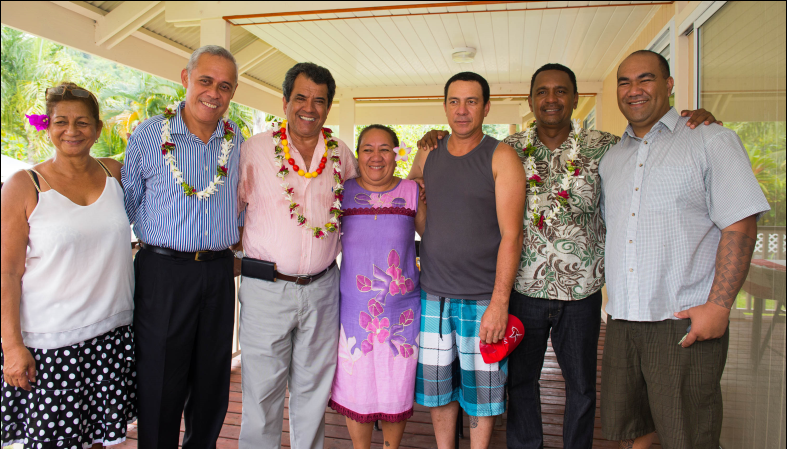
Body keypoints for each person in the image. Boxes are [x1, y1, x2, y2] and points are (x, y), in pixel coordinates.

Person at [416, 64, 719, 449]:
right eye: (541, 92)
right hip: (524, 287)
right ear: (530, 101)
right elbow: (465, 154)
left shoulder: (607, 146)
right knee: (521, 382)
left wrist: (693, 123)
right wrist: (434, 137)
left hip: (582, 290)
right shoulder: (511, 148)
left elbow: (651, 148)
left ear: (575, 98)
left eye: (561, 91)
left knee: (581, 385)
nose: (551, 99)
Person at [599, 50, 770, 449]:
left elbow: (740, 223)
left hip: (681, 320)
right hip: (623, 318)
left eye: (646, 79)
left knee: (689, 434)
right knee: (630, 429)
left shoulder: (711, 140)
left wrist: (720, 306)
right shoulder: (612, 158)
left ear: (669, 84)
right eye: (624, 82)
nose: (634, 90)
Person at [121, 45, 245, 448]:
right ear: (185, 78)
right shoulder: (149, 135)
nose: (214, 92)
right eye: (205, 80)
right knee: (160, 379)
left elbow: (245, 203)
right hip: (163, 272)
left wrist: (236, 253)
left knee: (212, 381)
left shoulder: (236, 140)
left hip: (218, 272)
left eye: (224, 86)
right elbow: (126, 205)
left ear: (233, 92)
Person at [1, 82, 136, 448]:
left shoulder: (115, 174)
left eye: (82, 122)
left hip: (111, 336)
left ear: (98, 128)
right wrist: (12, 346)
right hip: (52, 344)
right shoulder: (24, 185)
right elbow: (7, 273)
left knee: (99, 441)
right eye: (61, 121)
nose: (72, 130)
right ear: (47, 126)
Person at [236, 62, 358, 449]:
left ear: (328, 107)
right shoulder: (255, 150)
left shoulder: (340, 154)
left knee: (313, 389)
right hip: (266, 289)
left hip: (323, 289)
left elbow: (359, 208)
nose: (309, 107)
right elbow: (231, 211)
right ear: (285, 102)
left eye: (319, 101)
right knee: (261, 392)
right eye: (301, 98)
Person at [407, 72, 526, 449]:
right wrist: (418, 199)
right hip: (433, 294)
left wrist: (499, 304)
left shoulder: (502, 156)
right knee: (438, 389)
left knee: (483, 393)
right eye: (454, 101)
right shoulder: (428, 152)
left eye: (471, 101)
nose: (462, 110)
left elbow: (512, 236)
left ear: (486, 107)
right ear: (444, 107)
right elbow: (419, 217)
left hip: (482, 299)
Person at [328, 125, 426, 449]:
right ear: (357, 155)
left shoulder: (412, 191)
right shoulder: (341, 192)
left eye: (385, 149)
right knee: (357, 388)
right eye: (368, 149)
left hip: (402, 315)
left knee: (395, 387)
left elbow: (432, 237)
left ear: (396, 154)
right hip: (353, 313)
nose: (376, 156)